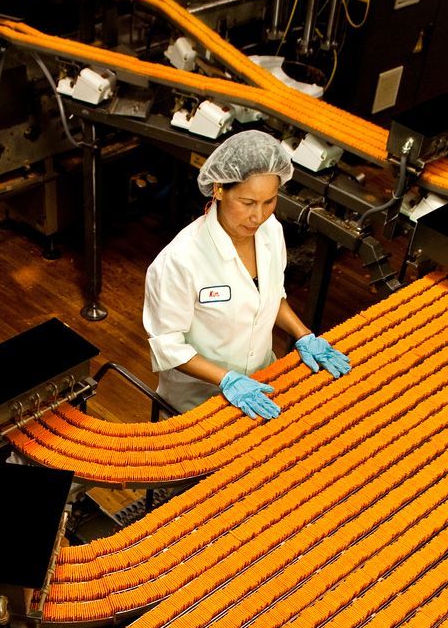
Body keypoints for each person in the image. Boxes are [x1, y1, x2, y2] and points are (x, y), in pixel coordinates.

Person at [141, 129, 354, 419]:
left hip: (261, 385)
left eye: (269, 202)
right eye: (248, 203)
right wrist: (226, 379)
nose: (259, 216)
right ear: (218, 189)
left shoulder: (270, 231)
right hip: (197, 404)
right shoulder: (180, 260)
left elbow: (271, 296)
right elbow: (168, 346)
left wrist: (303, 335)